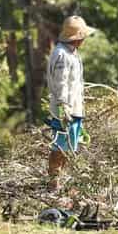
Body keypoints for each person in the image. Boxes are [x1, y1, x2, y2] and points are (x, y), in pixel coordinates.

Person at [46, 15, 95, 190]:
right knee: (60, 146)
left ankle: (61, 182)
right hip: (64, 109)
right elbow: (60, 83)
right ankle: (53, 183)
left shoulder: (72, 53)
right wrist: (63, 107)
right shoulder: (61, 54)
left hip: (74, 109)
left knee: (70, 147)